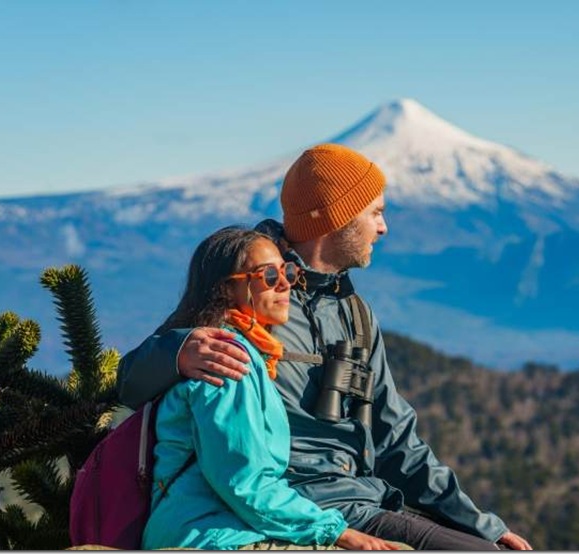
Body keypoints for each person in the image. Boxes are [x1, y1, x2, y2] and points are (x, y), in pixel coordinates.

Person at [120, 143, 534, 550]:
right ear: (336, 218)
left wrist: (482, 525)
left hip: (360, 499)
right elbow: (130, 381)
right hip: (301, 508)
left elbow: (395, 439)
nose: (384, 227)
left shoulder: (355, 314)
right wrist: (177, 350)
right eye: (376, 212)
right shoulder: (254, 296)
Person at [141, 226, 398, 550]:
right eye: (270, 275)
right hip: (212, 535)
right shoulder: (227, 359)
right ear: (227, 289)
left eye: (288, 272)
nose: (286, 284)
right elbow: (244, 482)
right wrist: (337, 531)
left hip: (222, 529)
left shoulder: (239, 351)